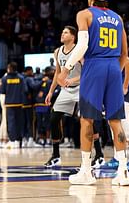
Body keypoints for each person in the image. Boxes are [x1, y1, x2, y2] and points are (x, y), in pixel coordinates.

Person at [58, 0, 129, 186]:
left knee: (87, 120)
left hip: (95, 66)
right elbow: (125, 54)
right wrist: (113, 69)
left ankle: (86, 172)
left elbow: (82, 45)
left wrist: (66, 69)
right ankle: (123, 171)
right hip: (115, 67)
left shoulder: (85, 14)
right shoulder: (118, 18)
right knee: (116, 121)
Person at [44, 26, 81, 167]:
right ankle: (56, 155)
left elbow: (87, 73)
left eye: (65, 32)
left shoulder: (80, 50)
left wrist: (72, 80)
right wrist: (50, 91)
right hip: (65, 89)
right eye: (62, 31)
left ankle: (98, 154)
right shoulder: (57, 51)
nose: (62, 34)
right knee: (54, 118)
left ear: (73, 36)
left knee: (86, 119)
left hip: (80, 87)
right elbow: (57, 75)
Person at [103, 56, 129, 172]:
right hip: (116, 86)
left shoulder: (112, 52)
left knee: (124, 118)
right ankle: (118, 157)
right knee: (113, 122)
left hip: (127, 83)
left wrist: (125, 85)